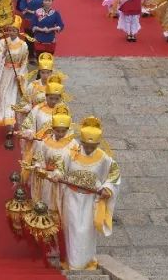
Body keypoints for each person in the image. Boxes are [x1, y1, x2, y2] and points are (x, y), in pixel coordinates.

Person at [50, 116, 119, 271]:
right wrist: (57, 174)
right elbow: (61, 167)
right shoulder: (71, 153)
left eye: (92, 146)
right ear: (81, 142)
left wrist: (107, 187)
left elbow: (114, 175)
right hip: (71, 196)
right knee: (72, 227)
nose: (88, 149)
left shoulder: (104, 158)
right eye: (86, 145)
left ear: (97, 143)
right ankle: (73, 263)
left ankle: (87, 260)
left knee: (87, 230)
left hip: (91, 200)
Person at [0, 15, 29, 149]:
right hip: (5, 73)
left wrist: (21, 75)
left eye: (14, 30)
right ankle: (9, 127)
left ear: (18, 31)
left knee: (13, 99)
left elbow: (24, 62)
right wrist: (3, 53)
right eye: (10, 30)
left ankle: (11, 125)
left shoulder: (23, 45)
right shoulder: (2, 42)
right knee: (5, 98)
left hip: (16, 76)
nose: (11, 32)